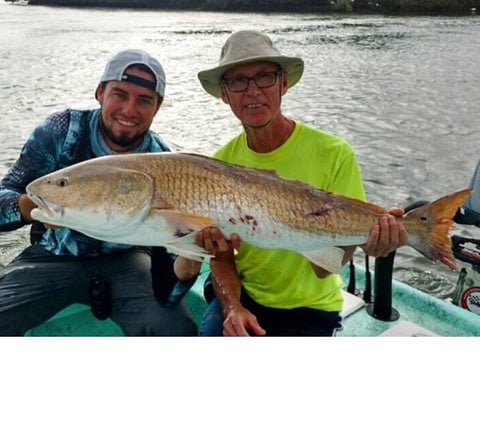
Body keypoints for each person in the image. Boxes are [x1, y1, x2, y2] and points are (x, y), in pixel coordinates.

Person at [195, 30, 408, 336]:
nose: (253, 90)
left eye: (265, 77)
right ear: (224, 94)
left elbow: (324, 267)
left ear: (283, 83)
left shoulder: (334, 154)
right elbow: (222, 258)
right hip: (246, 296)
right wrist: (232, 308)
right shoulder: (218, 164)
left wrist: (368, 240)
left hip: (312, 308)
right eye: (238, 81)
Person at [0, 49, 200, 336]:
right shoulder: (61, 130)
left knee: (175, 328)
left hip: (128, 260)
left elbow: (170, 266)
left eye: (144, 101)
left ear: (157, 108)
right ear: (100, 92)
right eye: (120, 94)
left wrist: (191, 261)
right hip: (53, 255)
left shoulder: (162, 160)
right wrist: (29, 206)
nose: (129, 110)